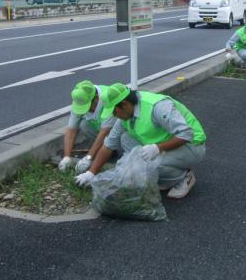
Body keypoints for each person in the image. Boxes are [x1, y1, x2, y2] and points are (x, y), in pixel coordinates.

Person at [74, 83, 206, 199]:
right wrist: (90, 173)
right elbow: (108, 145)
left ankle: (183, 177)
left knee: (150, 165)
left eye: (114, 111)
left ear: (124, 105)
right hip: (164, 143)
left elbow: (186, 134)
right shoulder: (124, 115)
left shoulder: (157, 107)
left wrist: (157, 148)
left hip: (192, 145)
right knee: (125, 138)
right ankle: (163, 176)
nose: (113, 115)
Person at [58, 80, 117, 173]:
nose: (86, 110)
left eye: (88, 107)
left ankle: (113, 151)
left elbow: (104, 133)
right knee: (84, 124)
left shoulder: (109, 99)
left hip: (116, 130)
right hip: (102, 129)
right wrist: (67, 157)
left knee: (121, 138)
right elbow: (71, 129)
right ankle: (104, 151)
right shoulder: (80, 98)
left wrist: (88, 158)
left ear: (96, 98)